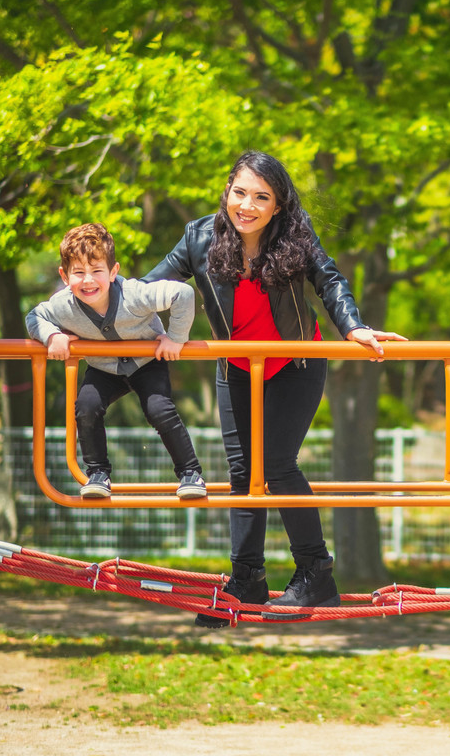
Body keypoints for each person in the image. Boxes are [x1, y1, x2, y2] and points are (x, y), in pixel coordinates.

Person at [144, 150, 406, 627]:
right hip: (237, 366)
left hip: (294, 362)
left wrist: (354, 326)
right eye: (240, 192)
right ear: (227, 191)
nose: (247, 205)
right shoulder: (199, 237)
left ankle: (315, 574)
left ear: (278, 205)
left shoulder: (295, 236)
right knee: (244, 475)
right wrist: (92, 307)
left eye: (261, 197)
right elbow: (149, 288)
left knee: (278, 465)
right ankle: (247, 580)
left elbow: (329, 280)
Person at [26, 223, 208, 501]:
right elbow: (33, 317)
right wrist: (52, 336)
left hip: (148, 361)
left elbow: (182, 294)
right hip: (103, 367)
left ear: (113, 272)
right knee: (86, 406)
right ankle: (97, 472)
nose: (88, 281)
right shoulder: (63, 305)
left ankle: (190, 473)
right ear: (64, 276)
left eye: (97, 271)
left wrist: (175, 338)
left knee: (158, 409)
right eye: (78, 273)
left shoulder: (134, 294)